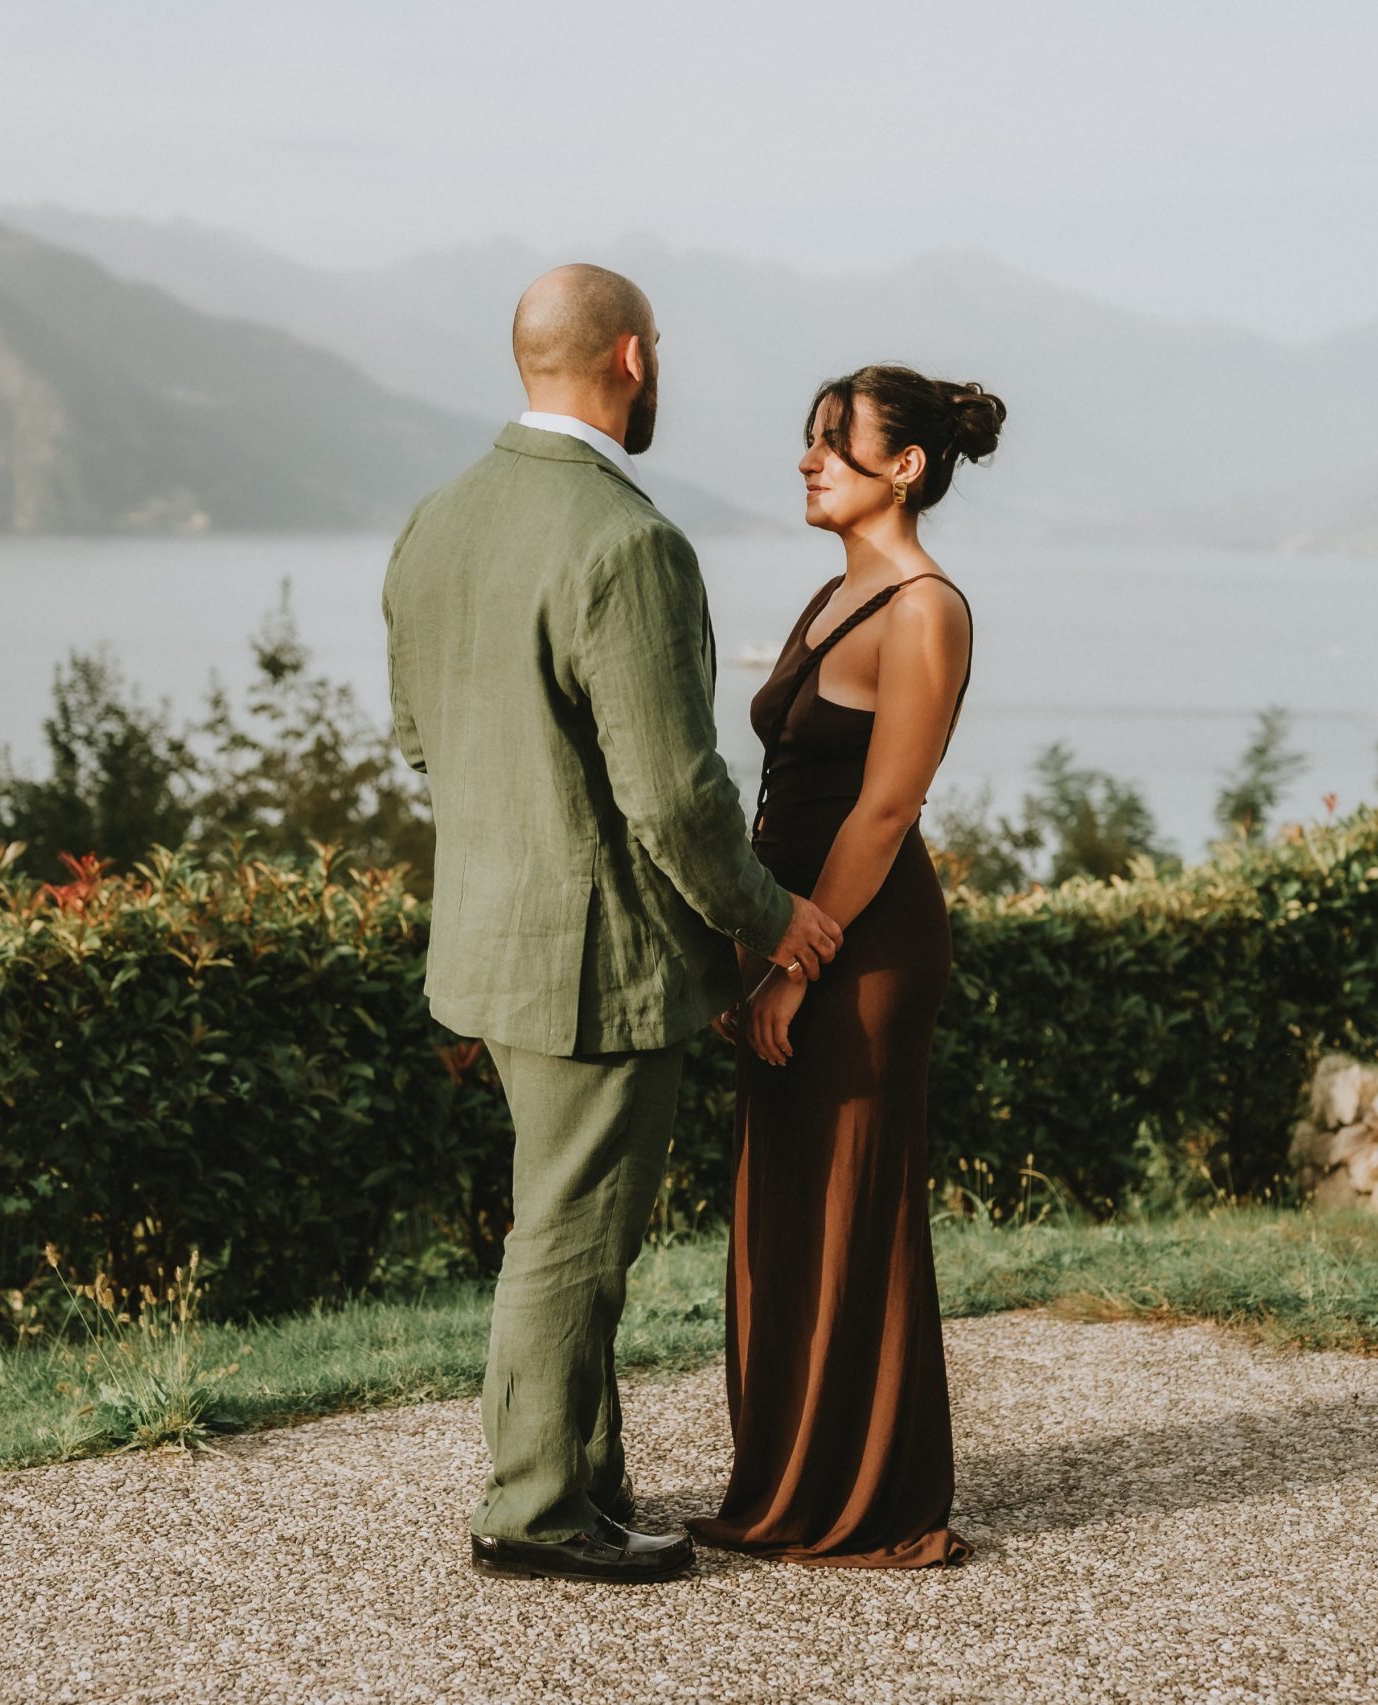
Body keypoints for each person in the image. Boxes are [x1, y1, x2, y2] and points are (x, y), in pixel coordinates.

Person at [382, 263, 845, 1585]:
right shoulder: (626, 541)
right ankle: (532, 1509)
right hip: (597, 962)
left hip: (488, 936)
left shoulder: (440, 519)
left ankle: (585, 1482)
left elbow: (422, 737)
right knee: (574, 1233)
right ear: (633, 360)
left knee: (556, 1219)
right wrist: (772, 922)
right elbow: (673, 789)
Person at [684, 364, 1001, 1569]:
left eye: (835, 442)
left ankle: (865, 1494)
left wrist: (792, 967)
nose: (809, 460)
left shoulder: (926, 608)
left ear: (904, 466)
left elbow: (882, 812)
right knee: (783, 1209)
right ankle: (784, 1478)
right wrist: (755, 941)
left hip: (860, 952)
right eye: (810, 441)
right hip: (801, 936)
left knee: (847, 1210)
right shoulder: (835, 591)